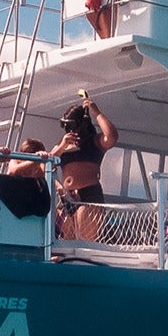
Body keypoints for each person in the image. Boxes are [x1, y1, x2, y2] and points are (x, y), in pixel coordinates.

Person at [47, 95, 117, 239]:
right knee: (67, 242)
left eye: (70, 125)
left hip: (88, 195)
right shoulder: (64, 143)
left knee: (85, 241)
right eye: (64, 125)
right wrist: (62, 146)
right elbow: (48, 163)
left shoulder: (95, 141)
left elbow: (112, 137)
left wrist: (96, 113)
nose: (68, 129)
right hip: (67, 197)